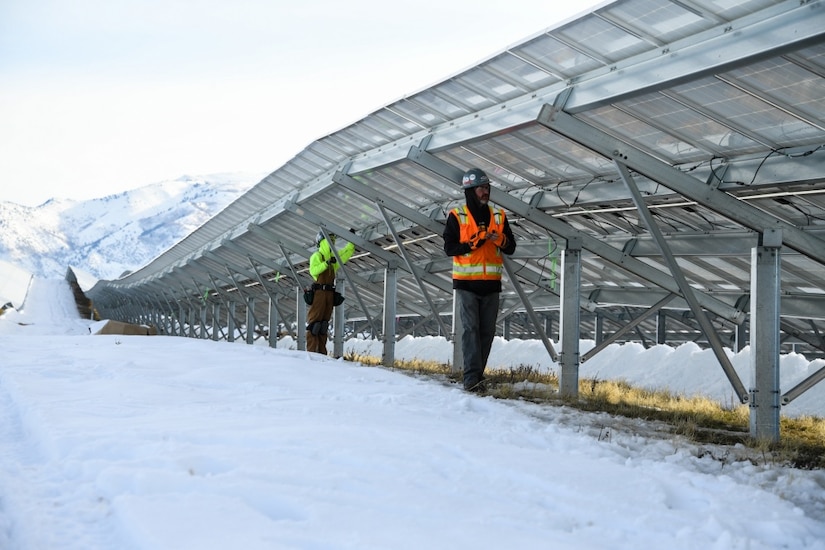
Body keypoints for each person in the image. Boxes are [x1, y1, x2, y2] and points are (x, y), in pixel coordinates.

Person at [443, 168, 517, 392]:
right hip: (466, 284)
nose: (485, 192)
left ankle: (477, 375)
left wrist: (500, 239)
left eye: (487, 188)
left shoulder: (499, 216)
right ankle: (471, 378)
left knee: (487, 332)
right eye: (481, 189)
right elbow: (449, 247)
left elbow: (511, 247)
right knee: (470, 330)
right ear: (470, 191)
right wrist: (471, 244)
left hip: (491, 284)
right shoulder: (457, 215)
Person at [306, 230, 355, 355]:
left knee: (323, 325)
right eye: (329, 240)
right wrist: (326, 264)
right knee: (314, 324)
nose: (332, 242)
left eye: (333, 240)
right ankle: (311, 352)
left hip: (329, 293)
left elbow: (346, 253)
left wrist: (351, 240)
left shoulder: (334, 258)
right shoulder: (317, 256)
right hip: (319, 293)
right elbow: (313, 270)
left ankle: (322, 352)